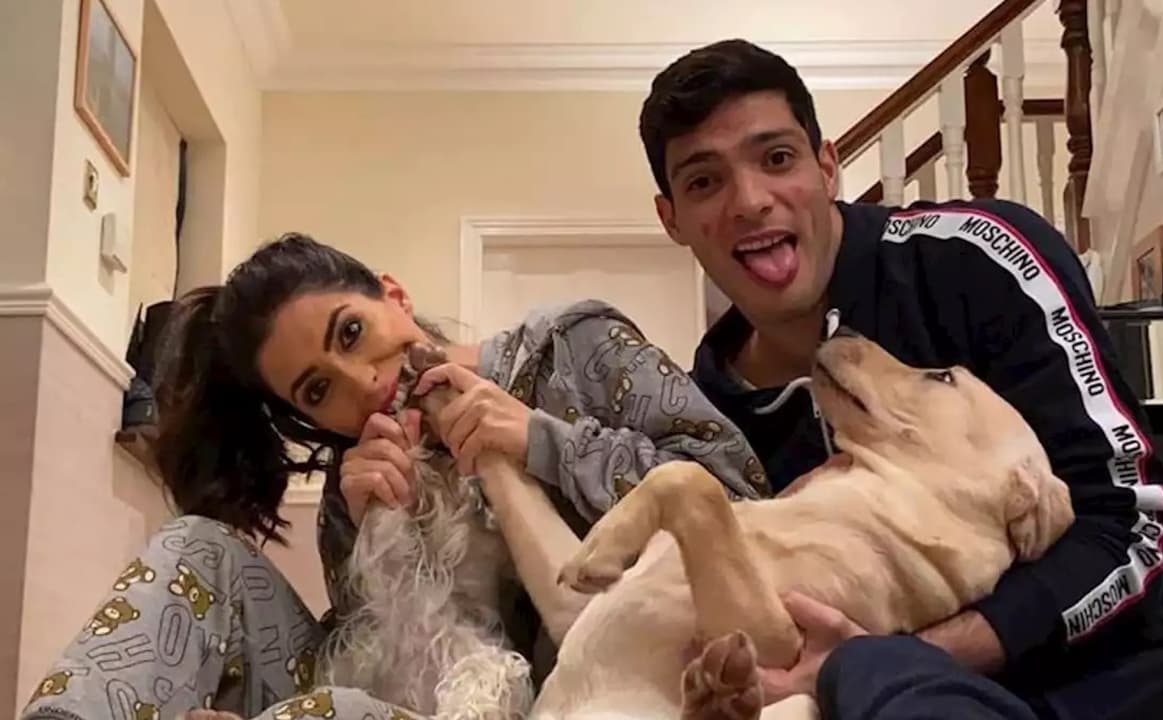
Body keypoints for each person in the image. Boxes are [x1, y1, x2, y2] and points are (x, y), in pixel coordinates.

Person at [640, 39, 1163, 718]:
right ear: (671, 218)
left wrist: (891, 663)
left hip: (1138, 679)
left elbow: (1128, 524)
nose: (749, 201)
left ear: (827, 167)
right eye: (704, 182)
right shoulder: (702, 417)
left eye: (776, 158)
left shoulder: (977, 259)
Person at [21, 233, 766, 720]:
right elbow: (383, 667)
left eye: (352, 332)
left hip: (581, 692)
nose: (362, 383)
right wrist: (365, 543)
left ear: (393, 296)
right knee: (195, 547)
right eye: (318, 390)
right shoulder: (358, 480)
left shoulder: (570, 349)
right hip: (413, 698)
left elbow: (742, 496)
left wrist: (545, 442)